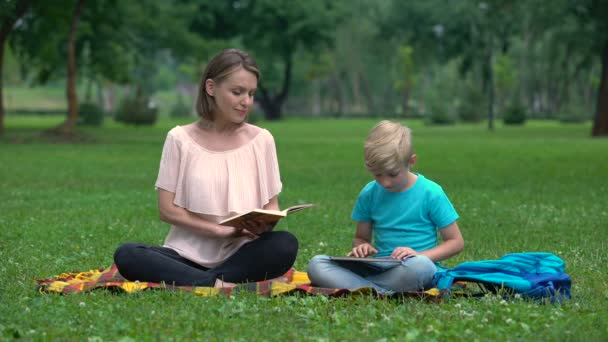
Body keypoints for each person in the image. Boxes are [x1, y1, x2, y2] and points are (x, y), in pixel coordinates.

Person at [114, 49, 298, 288]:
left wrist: (266, 223)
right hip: (184, 256)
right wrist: (218, 232)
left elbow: (271, 205)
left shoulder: (262, 140)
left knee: (285, 244)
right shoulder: (179, 139)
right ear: (211, 88)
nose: (247, 102)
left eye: (251, 94)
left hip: (243, 253)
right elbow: (167, 211)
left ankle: (203, 282)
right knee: (128, 254)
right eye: (237, 92)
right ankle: (214, 281)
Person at [307, 120, 464, 294]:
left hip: (413, 266)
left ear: (411, 162)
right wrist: (362, 246)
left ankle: (364, 288)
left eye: (393, 174)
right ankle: (380, 290)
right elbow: (360, 237)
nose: (385, 182)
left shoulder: (431, 193)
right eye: (378, 175)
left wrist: (419, 255)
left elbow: (456, 242)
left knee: (423, 267)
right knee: (316, 264)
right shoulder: (369, 193)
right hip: (378, 266)